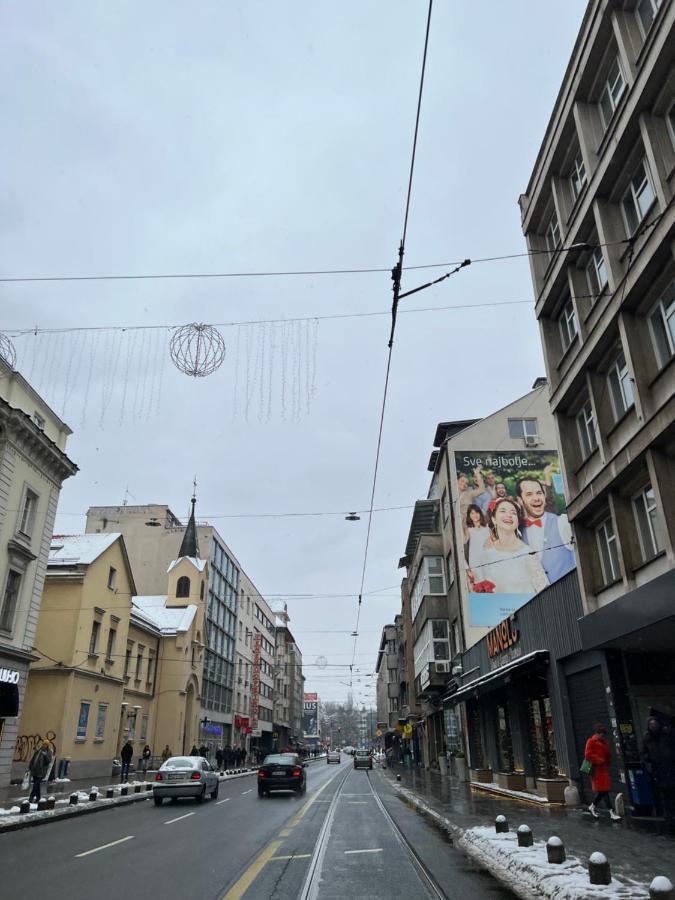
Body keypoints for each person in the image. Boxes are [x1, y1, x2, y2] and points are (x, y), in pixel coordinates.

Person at [471, 497, 549, 595]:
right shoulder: (486, 555)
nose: (509, 515)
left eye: (513, 512)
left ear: (517, 521)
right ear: (494, 519)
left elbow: (544, 590)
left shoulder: (528, 553)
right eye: (503, 511)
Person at [516, 474, 575, 584]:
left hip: (569, 596)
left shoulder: (562, 522)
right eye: (529, 494)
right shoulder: (517, 532)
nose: (536, 498)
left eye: (539, 493)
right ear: (520, 500)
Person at [642, 717, 675, 829]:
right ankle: (669, 817)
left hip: (670, 767)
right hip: (659, 770)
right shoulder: (648, 738)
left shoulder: (666, 735)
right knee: (665, 795)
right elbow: (644, 753)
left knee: (671, 792)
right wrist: (650, 762)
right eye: (651, 724)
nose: (653, 726)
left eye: (654, 723)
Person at [584, 723, 621, 820]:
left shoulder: (605, 743)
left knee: (603, 791)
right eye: (601, 734)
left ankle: (593, 806)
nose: (602, 736)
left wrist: (607, 761)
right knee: (604, 791)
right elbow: (588, 754)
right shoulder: (591, 741)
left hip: (603, 769)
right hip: (596, 770)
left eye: (603, 734)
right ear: (597, 733)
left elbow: (608, 755)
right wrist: (599, 759)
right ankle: (611, 812)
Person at [28, 739, 53, 804]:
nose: (44, 745)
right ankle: (38, 797)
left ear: (47, 745)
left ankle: (31, 796)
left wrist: (45, 755)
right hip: (35, 770)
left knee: (36, 784)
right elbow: (33, 759)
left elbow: (49, 761)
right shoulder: (39, 750)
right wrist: (30, 766)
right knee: (37, 785)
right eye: (43, 744)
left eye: (46, 744)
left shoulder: (48, 752)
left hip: (41, 771)